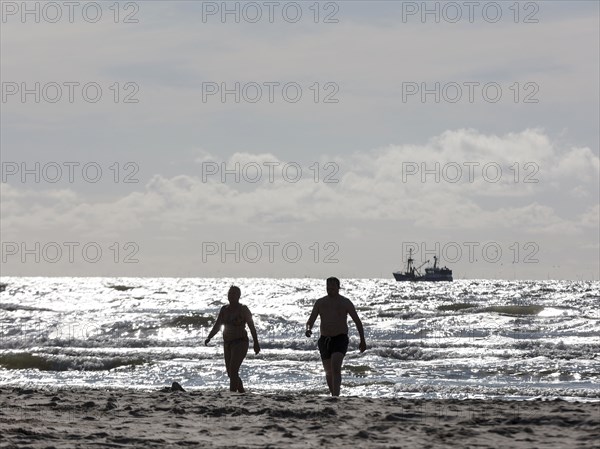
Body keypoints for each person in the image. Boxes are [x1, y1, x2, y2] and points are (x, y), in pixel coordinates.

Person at [305, 277, 366, 396]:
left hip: (340, 339)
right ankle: (333, 394)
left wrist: (362, 340)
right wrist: (308, 329)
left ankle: (336, 397)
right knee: (328, 372)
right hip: (324, 340)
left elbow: (358, 322)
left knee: (335, 368)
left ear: (338, 288)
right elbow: (310, 320)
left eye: (333, 287)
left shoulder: (345, 302)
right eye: (328, 287)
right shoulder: (320, 302)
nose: (330, 289)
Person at [205, 286, 260, 393]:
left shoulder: (243, 309)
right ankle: (242, 392)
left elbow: (252, 327)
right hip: (227, 343)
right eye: (230, 293)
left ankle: (232, 393)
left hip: (240, 342)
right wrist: (209, 337)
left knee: (233, 370)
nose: (231, 296)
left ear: (238, 296)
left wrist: (256, 343)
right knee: (230, 373)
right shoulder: (224, 310)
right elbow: (217, 325)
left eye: (234, 294)